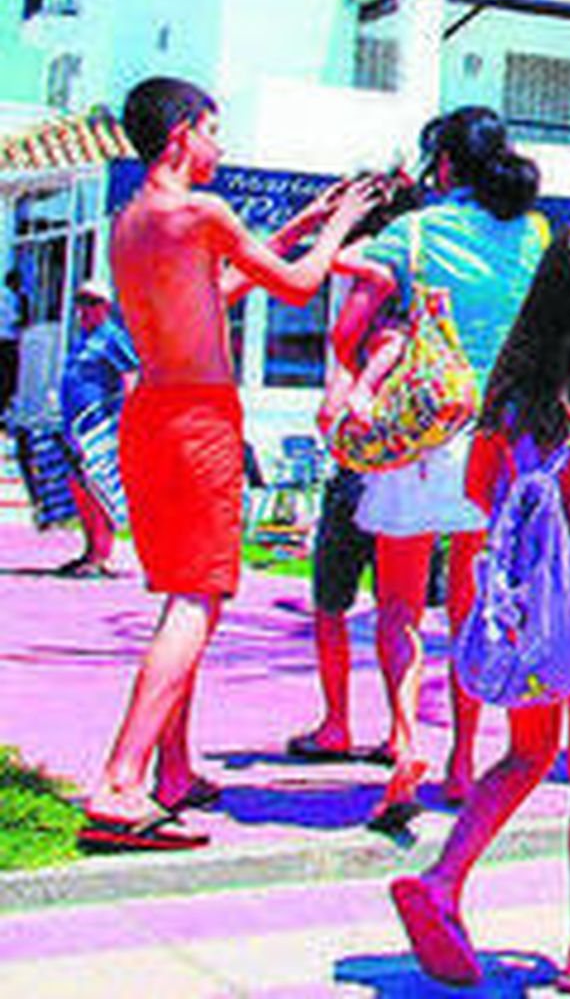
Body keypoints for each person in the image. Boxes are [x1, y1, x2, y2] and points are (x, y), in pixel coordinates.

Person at [80, 76, 378, 851]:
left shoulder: (133, 219)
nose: (221, 146)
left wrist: (293, 227)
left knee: (179, 593)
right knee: (199, 599)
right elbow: (302, 287)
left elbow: (214, 290)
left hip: (148, 417)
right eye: (213, 130)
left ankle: (173, 769)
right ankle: (121, 779)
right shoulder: (202, 211)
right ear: (183, 133)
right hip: (199, 419)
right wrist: (340, 225)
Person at [390, 222, 570, 992]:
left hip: (525, 612)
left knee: (523, 754)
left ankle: (444, 879)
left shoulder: (511, 401)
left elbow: (479, 490)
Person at [334, 107, 548, 826]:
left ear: (444, 165)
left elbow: (346, 327)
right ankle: (462, 760)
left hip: (423, 434)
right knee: (471, 608)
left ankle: (402, 741)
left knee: (398, 606)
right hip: (496, 438)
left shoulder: (412, 232)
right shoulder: (535, 235)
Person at [288, 176, 424, 764]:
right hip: (408, 460)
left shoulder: (374, 271)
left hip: (361, 458)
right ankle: (402, 731)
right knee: (403, 610)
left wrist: (337, 222)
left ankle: (338, 722)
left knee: (331, 599)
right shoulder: (425, 274)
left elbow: (358, 345)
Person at [55, 279, 138, 577]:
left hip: (99, 428)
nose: (84, 309)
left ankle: (102, 554)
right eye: (80, 302)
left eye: (91, 302)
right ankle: (89, 550)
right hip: (75, 427)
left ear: (106, 306)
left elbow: (130, 376)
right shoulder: (83, 339)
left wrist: (130, 419)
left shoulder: (111, 337)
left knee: (97, 487)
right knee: (79, 487)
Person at [0, 266, 26, 427]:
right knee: (8, 379)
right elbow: (18, 320)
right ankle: (4, 410)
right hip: (8, 342)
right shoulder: (12, 298)